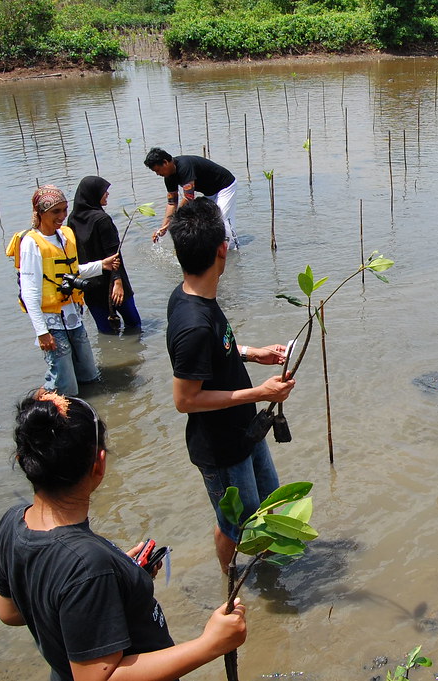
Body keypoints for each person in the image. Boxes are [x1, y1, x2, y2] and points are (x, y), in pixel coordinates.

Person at [0, 389, 247, 681]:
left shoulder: (12, 523)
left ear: (23, 459)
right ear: (99, 465)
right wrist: (209, 645)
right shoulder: (89, 566)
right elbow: (96, 678)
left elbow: (10, 612)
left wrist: (118, 580)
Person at [165, 198, 295, 573]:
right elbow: (185, 400)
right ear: (223, 249)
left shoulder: (194, 296)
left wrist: (254, 354)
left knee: (268, 506)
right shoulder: (192, 322)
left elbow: (217, 352)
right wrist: (261, 393)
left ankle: (268, 571)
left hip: (245, 431)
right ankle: (231, 580)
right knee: (235, 525)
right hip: (220, 448)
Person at [5, 186, 121, 396]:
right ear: (40, 213)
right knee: (64, 383)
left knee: (89, 375)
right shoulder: (31, 243)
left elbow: (72, 271)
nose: (62, 216)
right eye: (55, 212)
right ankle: (38, 408)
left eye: (64, 210)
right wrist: (42, 332)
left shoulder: (64, 236)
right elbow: (29, 292)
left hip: (72, 315)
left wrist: (102, 265)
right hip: (51, 322)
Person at [69, 176, 141, 335]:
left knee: (106, 332)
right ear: (93, 194)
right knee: (134, 325)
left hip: (89, 283)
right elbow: (114, 254)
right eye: (104, 191)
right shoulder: (102, 220)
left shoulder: (72, 219)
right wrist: (118, 282)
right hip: (112, 281)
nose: (107, 194)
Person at [144, 147, 240, 249]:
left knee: (221, 220)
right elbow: (172, 203)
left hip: (225, 186)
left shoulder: (184, 166)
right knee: (208, 223)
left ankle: (234, 249)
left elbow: (189, 197)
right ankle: (218, 250)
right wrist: (163, 228)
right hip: (210, 193)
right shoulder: (168, 177)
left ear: (165, 162)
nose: (158, 174)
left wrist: (172, 221)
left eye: (158, 170)